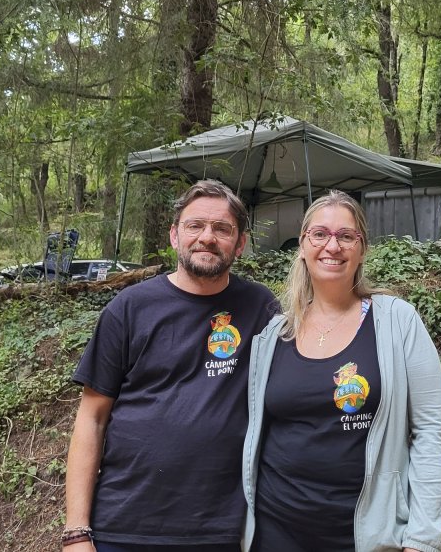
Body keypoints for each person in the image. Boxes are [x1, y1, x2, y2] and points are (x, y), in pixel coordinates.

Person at [62, 180, 279, 552]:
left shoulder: (260, 309)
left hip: (222, 530)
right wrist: (76, 533)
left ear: (240, 243)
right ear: (175, 235)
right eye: (195, 225)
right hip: (125, 526)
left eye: (222, 228)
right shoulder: (129, 308)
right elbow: (91, 418)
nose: (207, 237)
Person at [241, 191, 441, 552]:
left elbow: (431, 429)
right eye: (319, 234)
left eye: (345, 236)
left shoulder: (396, 321)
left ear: (362, 248)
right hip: (276, 527)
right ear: (303, 246)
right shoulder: (274, 334)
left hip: (364, 533)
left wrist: (421, 538)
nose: (332, 246)